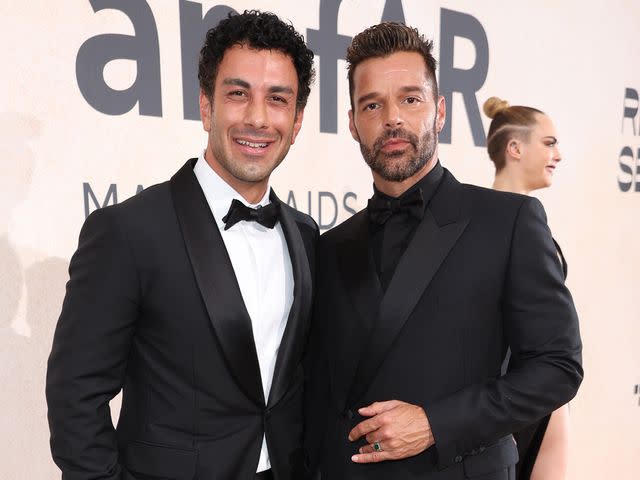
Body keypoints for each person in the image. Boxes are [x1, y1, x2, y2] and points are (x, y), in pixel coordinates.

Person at [304, 22, 582, 480]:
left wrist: (436, 424)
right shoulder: (330, 248)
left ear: (439, 111)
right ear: (353, 124)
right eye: (372, 104)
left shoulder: (508, 222)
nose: (392, 118)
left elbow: (558, 367)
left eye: (410, 99)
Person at [46, 10, 317, 480]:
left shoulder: (306, 234)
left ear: (296, 122)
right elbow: (75, 397)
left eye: (278, 99)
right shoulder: (128, 233)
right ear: (207, 107)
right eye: (237, 94)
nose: (257, 118)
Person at [484, 96, 570, 480]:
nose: (559, 154)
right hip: (511, 409)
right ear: (514, 148)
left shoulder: (529, 220)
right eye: (549, 143)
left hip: (542, 398)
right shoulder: (484, 223)